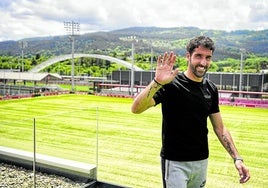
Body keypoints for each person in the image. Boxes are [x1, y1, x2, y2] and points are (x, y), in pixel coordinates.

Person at [131, 36, 250, 188]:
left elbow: (220, 128)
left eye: (208, 57)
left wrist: (237, 158)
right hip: (175, 163)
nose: (203, 62)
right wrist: (157, 82)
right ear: (188, 56)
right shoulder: (170, 84)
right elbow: (136, 109)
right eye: (198, 56)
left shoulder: (211, 89)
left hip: (201, 161)